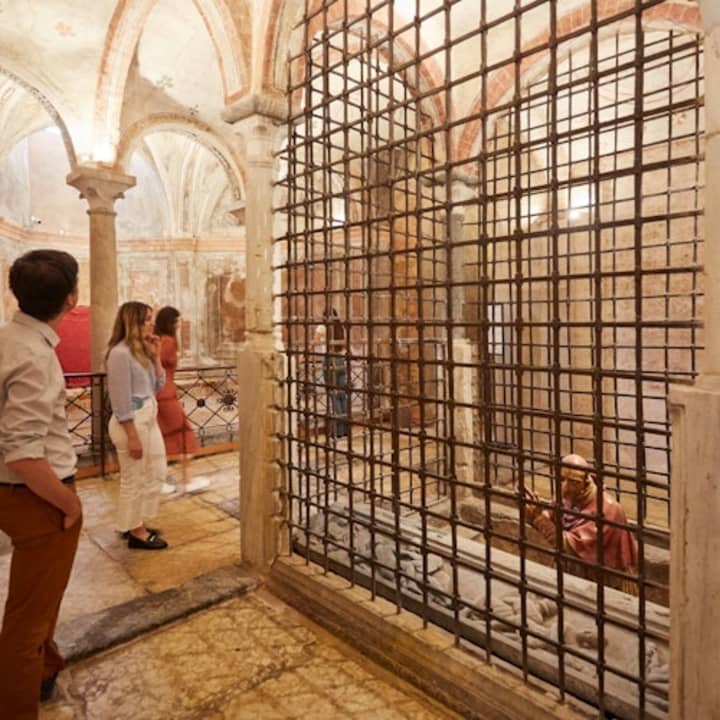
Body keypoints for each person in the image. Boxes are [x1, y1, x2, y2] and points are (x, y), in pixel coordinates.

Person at [0, 249, 83, 717]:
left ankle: (46, 668)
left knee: (42, 597)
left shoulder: (8, 339)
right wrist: (68, 504)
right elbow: (24, 454)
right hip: (36, 495)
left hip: (16, 490)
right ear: (71, 298)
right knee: (25, 625)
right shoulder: (34, 356)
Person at [525, 453, 638, 592]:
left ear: (586, 482)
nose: (565, 487)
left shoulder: (608, 509)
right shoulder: (567, 496)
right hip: (571, 568)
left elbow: (570, 546)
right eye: (562, 479)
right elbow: (549, 519)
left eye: (573, 482)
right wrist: (531, 512)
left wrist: (538, 519)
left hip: (601, 579)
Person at [106, 302, 168, 550]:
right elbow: (120, 399)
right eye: (147, 319)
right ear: (134, 322)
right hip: (131, 421)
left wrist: (156, 356)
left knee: (157, 470)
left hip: (149, 416)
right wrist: (132, 435)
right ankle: (136, 532)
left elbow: (159, 385)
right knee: (134, 477)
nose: (152, 324)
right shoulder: (119, 353)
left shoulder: (141, 351)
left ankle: (134, 521)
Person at [153, 306, 210, 494]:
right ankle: (186, 479)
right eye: (177, 321)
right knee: (183, 435)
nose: (179, 324)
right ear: (170, 322)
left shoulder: (158, 340)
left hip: (159, 393)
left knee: (162, 436)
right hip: (166, 393)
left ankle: (162, 479)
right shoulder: (167, 341)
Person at [313, 307, 348, 438]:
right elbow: (344, 345)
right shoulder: (340, 327)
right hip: (341, 360)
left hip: (329, 360)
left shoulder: (322, 327)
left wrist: (303, 355)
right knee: (342, 396)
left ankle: (338, 431)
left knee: (334, 395)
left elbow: (314, 342)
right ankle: (345, 429)